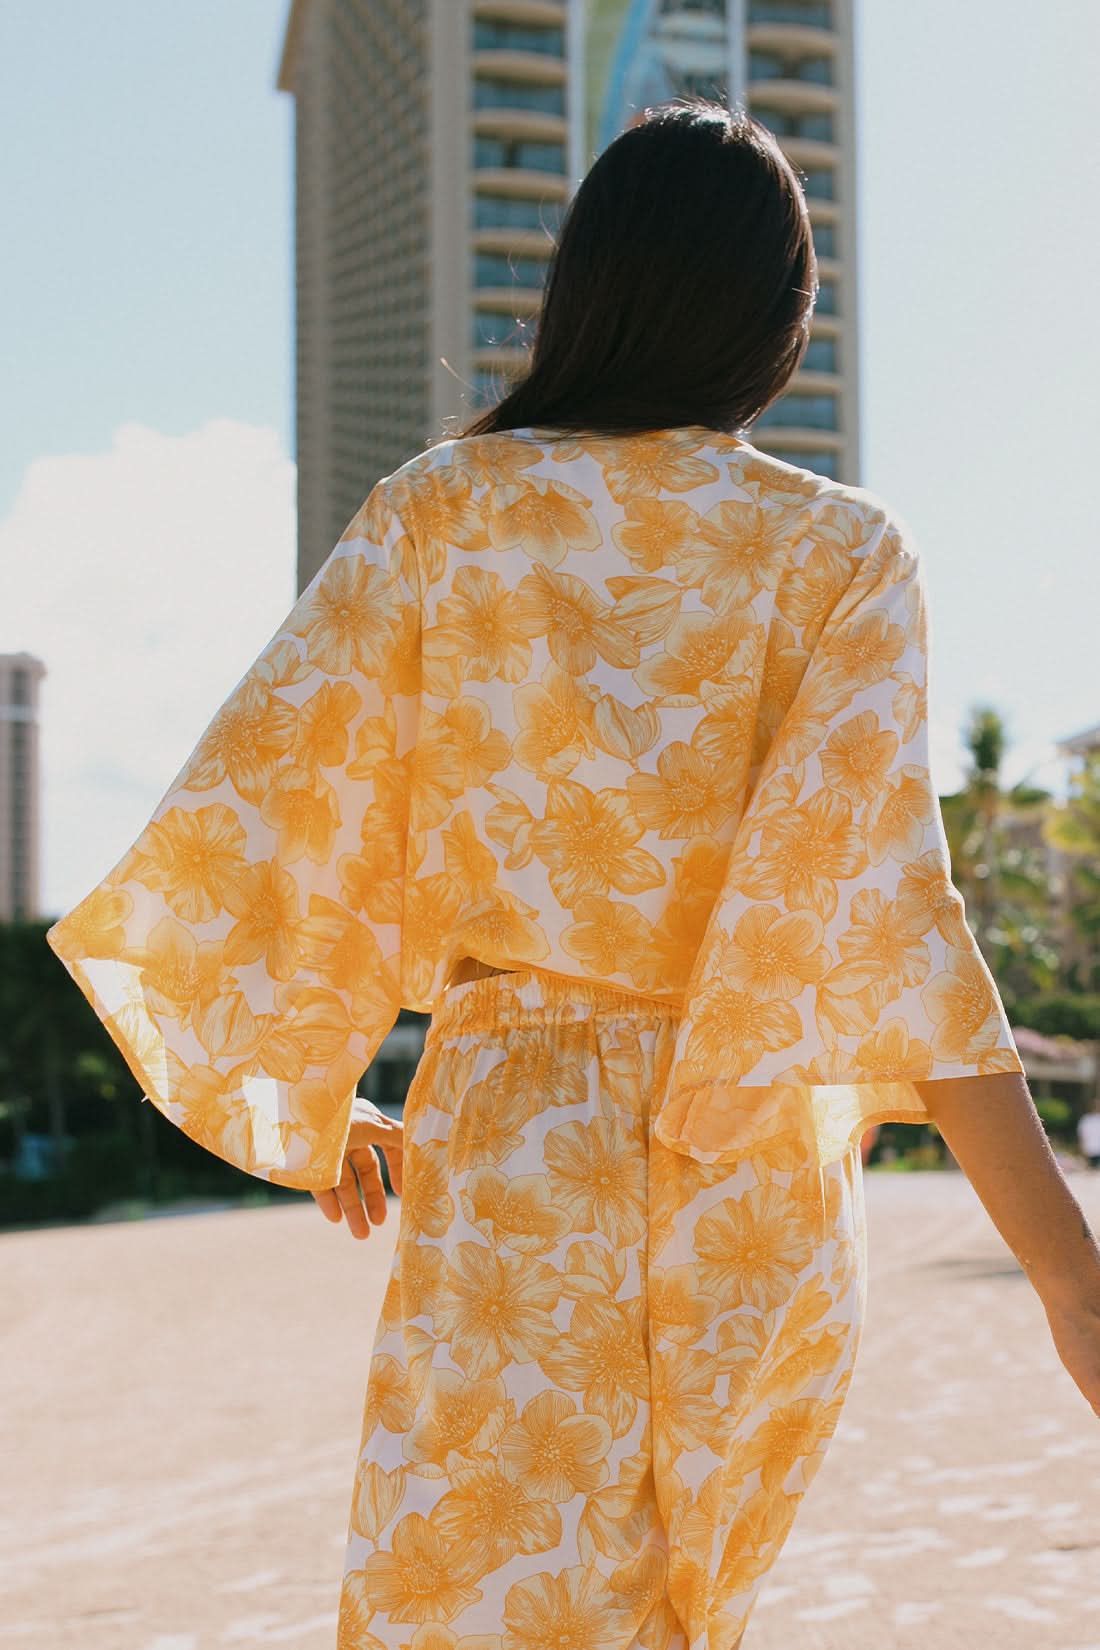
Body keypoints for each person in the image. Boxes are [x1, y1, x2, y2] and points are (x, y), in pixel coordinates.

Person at [47, 101, 1100, 1650]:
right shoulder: (841, 557)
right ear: (779, 325)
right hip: (741, 1161)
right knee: (675, 1614)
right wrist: (1071, 1280)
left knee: (471, 1596)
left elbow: (265, 810)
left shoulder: (439, 515)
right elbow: (895, 926)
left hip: (510, 1145)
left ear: (582, 291)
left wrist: (316, 1079)